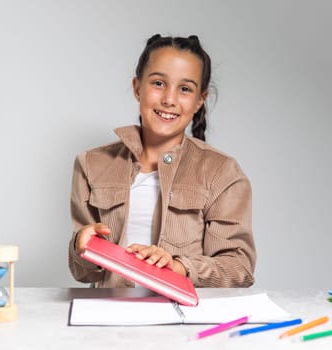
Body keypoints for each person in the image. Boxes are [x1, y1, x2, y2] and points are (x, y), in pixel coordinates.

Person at [68, 34, 256, 288]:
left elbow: (239, 268)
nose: (169, 99)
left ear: (200, 100)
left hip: (183, 320)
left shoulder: (223, 173)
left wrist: (179, 267)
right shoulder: (91, 164)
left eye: (185, 89)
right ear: (137, 87)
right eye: (158, 83)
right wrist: (82, 245)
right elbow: (83, 273)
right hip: (111, 318)